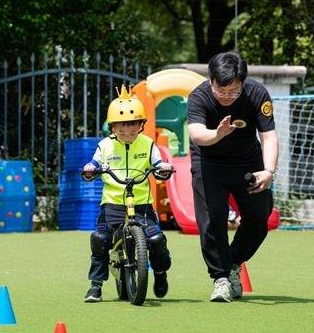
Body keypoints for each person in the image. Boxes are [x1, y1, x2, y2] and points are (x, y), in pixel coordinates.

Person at [187, 50, 278, 302]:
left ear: (242, 84)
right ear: (211, 80)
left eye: (233, 91)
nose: (227, 96)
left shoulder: (256, 94)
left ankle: (234, 262)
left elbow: (268, 135)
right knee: (212, 219)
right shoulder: (199, 96)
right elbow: (196, 134)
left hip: (247, 162)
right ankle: (221, 278)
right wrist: (217, 134)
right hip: (208, 161)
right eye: (221, 90)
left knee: (260, 215)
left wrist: (268, 170)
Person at [82, 85, 174, 302]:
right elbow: (93, 163)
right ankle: (96, 285)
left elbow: (158, 163)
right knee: (100, 239)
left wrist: (163, 168)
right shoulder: (104, 146)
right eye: (122, 127)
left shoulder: (148, 143)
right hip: (112, 204)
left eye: (133, 126)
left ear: (141, 125)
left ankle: (160, 274)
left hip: (141, 204)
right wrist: (90, 168)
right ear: (113, 126)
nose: (128, 132)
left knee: (157, 239)